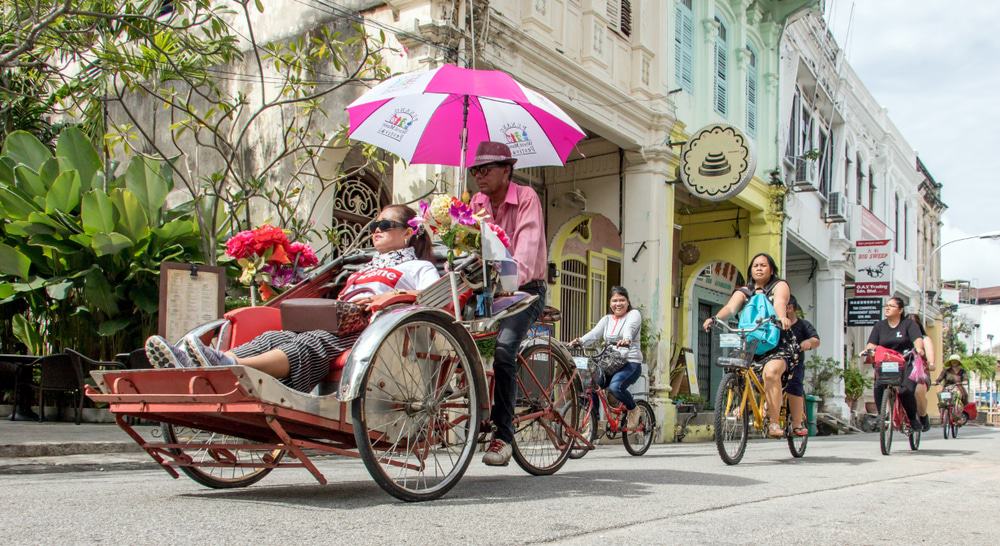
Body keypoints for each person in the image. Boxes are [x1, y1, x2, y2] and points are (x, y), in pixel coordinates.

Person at [143, 204, 439, 394]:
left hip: (370, 330)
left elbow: (432, 298)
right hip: (336, 319)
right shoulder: (363, 267)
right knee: (276, 336)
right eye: (374, 226)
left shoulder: (418, 267)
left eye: (385, 226)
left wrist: (396, 295)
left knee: (310, 343)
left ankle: (224, 366)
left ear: (408, 233)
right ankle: (210, 361)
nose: (376, 231)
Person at [469, 141, 548, 466]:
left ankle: (503, 435)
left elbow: (527, 250)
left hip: (525, 289)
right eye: (475, 170)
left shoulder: (527, 197)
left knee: (503, 351)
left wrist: (508, 283)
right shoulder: (477, 202)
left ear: (507, 169)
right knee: (456, 339)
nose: (479, 176)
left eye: (486, 169)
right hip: (487, 290)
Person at [702, 253, 797, 439]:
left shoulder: (779, 285)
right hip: (750, 342)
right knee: (734, 367)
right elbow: (730, 308)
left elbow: (779, 302)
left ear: (771, 269)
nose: (759, 268)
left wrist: (781, 317)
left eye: (763, 265)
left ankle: (774, 422)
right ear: (750, 270)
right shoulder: (744, 291)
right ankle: (742, 402)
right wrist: (715, 319)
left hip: (777, 342)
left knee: (770, 373)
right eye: (755, 266)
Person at [569, 287, 644, 429]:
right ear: (610, 304)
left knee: (616, 387)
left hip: (630, 363)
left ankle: (633, 409)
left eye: (622, 300)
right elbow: (593, 334)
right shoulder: (607, 319)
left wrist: (627, 339)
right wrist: (579, 341)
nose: (618, 304)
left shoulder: (634, 314)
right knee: (590, 387)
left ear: (628, 302)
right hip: (610, 363)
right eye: (615, 300)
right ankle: (594, 425)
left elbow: (630, 328)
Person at [865, 296, 926, 432]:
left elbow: (917, 339)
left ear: (900, 310)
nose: (887, 308)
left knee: (905, 391)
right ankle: (881, 415)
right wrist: (868, 350)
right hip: (887, 361)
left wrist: (919, 348)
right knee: (879, 385)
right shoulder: (879, 325)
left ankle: (912, 418)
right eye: (886, 305)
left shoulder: (909, 324)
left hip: (906, 361)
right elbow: (872, 344)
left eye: (891, 306)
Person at [784, 295, 820, 437]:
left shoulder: (803, 325)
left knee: (794, 384)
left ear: (790, 308)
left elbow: (815, 340)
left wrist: (808, 343)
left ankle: (797, 423)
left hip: (794, 363)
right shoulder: (774, 324)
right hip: (775, 361)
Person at [909, 314, 937, 432]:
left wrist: (930, 364)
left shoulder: (925, 339)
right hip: (902, 371)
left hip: (920, 372)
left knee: (918, 390)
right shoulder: (900, 338)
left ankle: (922, 416)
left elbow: (931, 360)